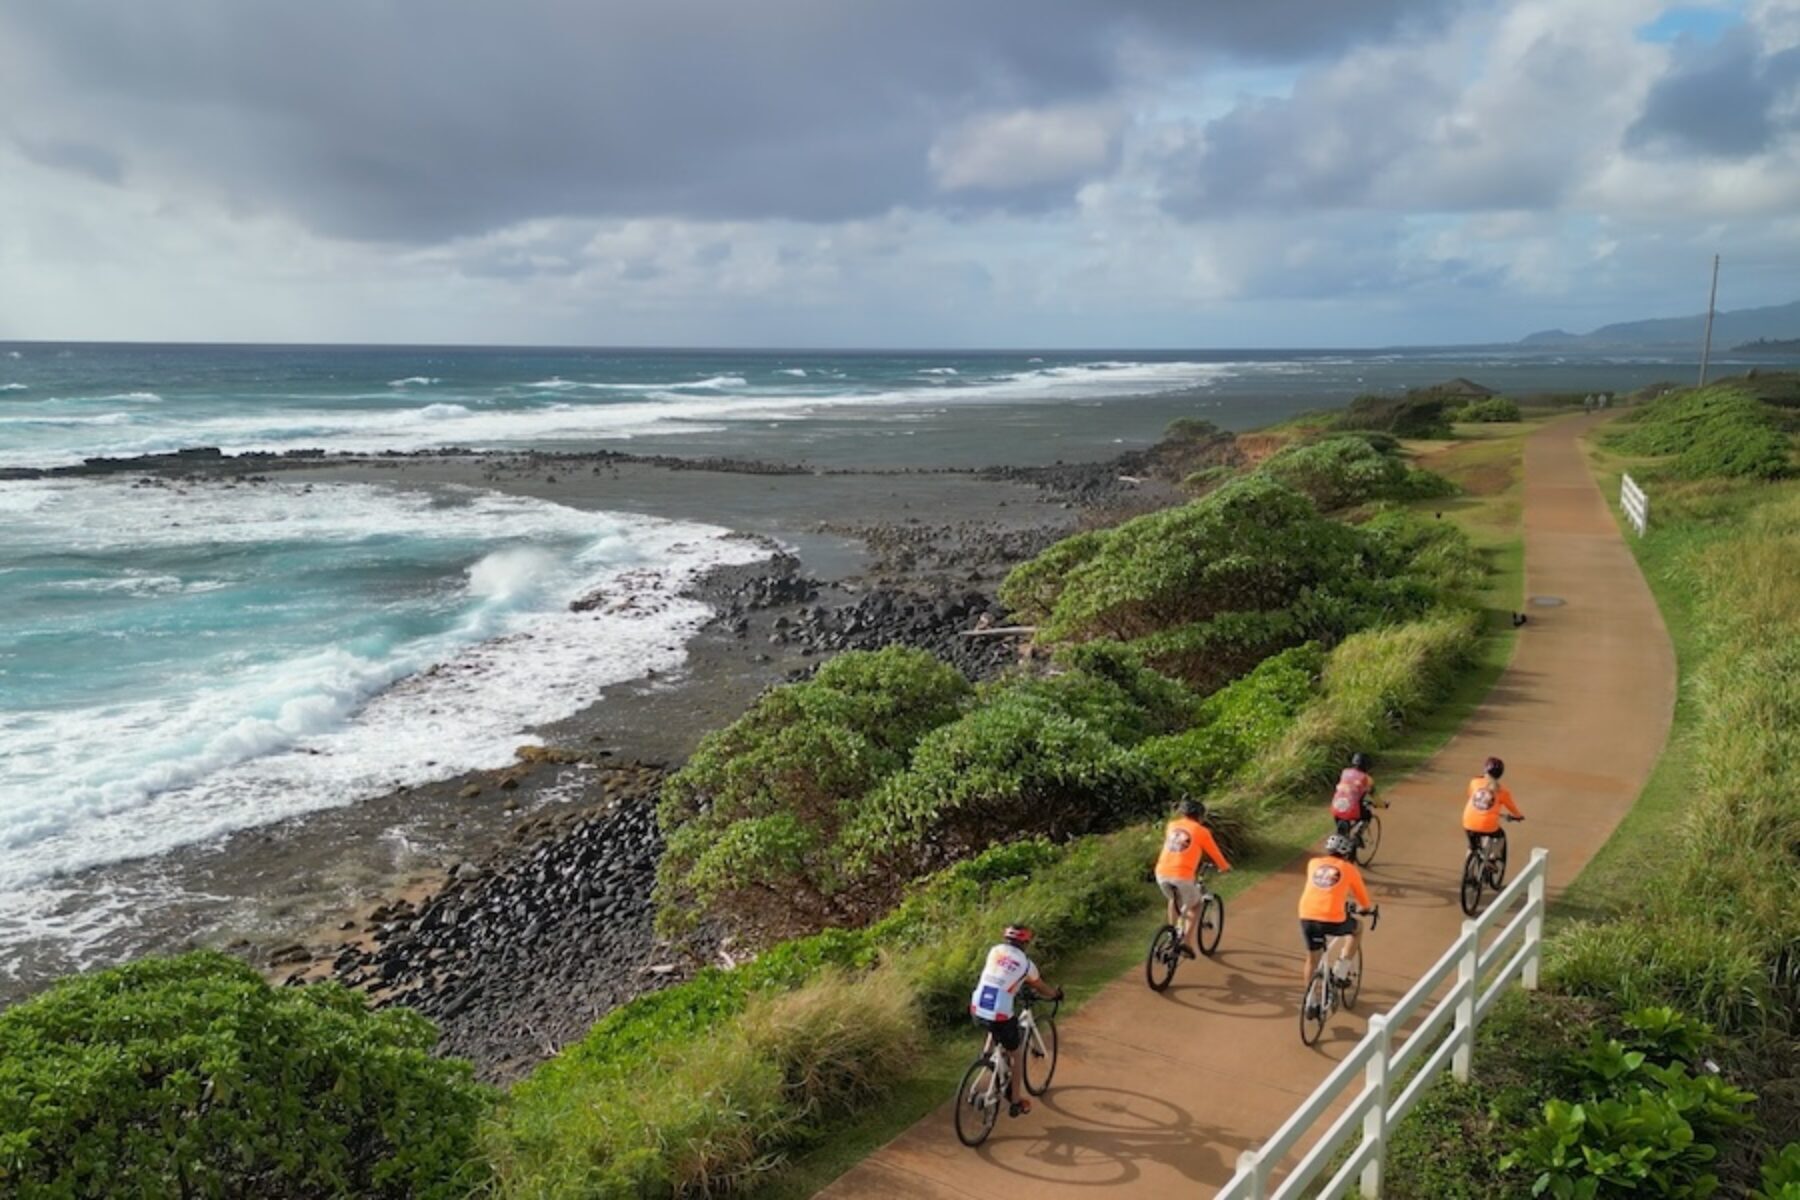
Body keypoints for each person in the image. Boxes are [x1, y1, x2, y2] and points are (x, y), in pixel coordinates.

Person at [968, 924, 1063, 1116]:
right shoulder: (1027, 965)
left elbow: (1000, 975)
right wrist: (1055, 994)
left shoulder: (994, 951)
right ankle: (1016, 1101)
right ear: (1026, 943)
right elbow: (1040, 986)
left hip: (977, 1006)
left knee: (993, 1023)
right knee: (1016, 1054)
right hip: (1000, 1013)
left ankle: (987, 1055)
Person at [1297, 834, 1375, 1006]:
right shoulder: (1349, 869)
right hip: (1332, 919)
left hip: (1307, 916)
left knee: (1312, 959)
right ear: (1347, 853)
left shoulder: (1313, 863)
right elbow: (1363, 899)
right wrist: (1365, 908)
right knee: (1357, 928)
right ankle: (1341, 969)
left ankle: (1311, 1000)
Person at [1154, 796, 1232, 958]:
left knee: (1174, 899)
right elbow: (1215, 853)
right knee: (1196, 905)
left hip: (1161, 873)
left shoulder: (1172, 826)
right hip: (1181, 875)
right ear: (1200, 816)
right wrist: (1224, 867)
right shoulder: (1202, 831)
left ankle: (1171, 934)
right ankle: (1186, 943)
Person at [1463, 755, 1523, 857]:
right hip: (1488, 825)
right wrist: (1518, 816)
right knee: (1500, 837)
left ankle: (1468, 863)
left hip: (1468, 822)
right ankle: (1493, 857)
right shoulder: (1503, 791)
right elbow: (1512, 807)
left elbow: (1470, 795)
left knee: (1472, 847)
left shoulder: (1474, 782)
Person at [1329, 751, 1384, 837]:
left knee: (1342, 820)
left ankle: (1342, 834)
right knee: (1367, 815)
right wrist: (1382, 805)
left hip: (1335, 806)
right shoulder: (1367, 778)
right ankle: (1358, 834)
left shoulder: (1344, 772)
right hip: (1353, 809)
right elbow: (1374, 796)